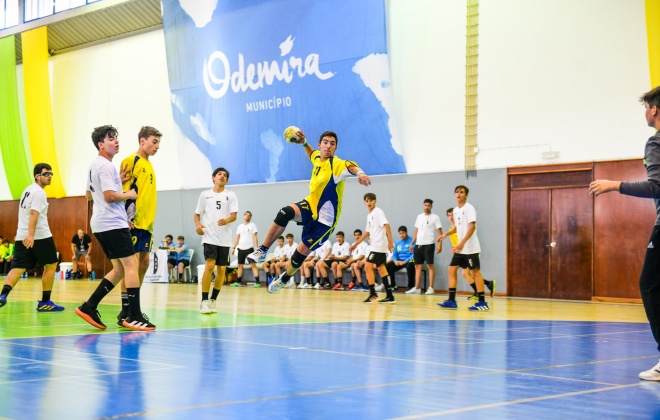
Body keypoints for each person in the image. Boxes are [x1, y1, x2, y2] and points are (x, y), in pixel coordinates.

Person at [589, 86, 660, 381]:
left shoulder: (655, 142)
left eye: (646, 107)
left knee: (650, 285)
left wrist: (614, 185)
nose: (645, 112)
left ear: (654, 109)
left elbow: (656, 185)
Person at [246, 129, 371, 294]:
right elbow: (312, 154)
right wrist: (304, 143)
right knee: (285, 213)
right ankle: (262, 250)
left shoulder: (337, 165)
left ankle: (284, 279)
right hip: (310, 205)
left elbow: (351, 166)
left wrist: (360, 173)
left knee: (298, 256)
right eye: (325, 143)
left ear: (335, 148)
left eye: (332, 144)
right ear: (320, 145)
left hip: (324, 222)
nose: (328, 146)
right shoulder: (318, 157)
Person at [74, 125, 155, 330]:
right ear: (101, 144)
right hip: (112, 223)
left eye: (116, 138)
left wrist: (120, 181)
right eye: (111, 138)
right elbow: (110, 197)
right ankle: (133, 315)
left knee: (118, 269)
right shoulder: (106, 166)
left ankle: (89, 306)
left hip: (101, 223)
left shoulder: (95, 166)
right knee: (131, 266)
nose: (116, 141)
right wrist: (128, 194)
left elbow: (89, 195)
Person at [0, 163, 64, 311]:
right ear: (37, 176)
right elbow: (34, 213)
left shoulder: (27, 190)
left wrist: (25, 233)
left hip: (22, 235)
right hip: (39, 235)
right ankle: (45, 302)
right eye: (46, 174)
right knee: (51, 265)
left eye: (51, 174)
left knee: (18, 267)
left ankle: (3, 295)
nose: (50, 177)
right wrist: (31, 234)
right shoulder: (39, 192)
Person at [118, 126, 162, 324]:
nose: (157, 146)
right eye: (154, 141)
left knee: (143, 264)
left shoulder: (150, 165)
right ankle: (126, 311)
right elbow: (123, 191)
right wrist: (126, 218)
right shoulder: (131, 161)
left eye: (159, 142)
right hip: (134, 222)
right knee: (131, 265)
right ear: (142, 140)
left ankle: (132, 308)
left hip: (148, 223)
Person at [437, 185, 489, 311]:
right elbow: (457, 227)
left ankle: (482, 302)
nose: (459, 194)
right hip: (461, 248)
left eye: (462, 192)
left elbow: (472, 227)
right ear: (454, 195)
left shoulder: (469, 208)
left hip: (470, 247)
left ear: (466, 195)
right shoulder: (455, 210)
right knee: (451, 269)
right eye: (457, 192)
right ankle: (451, 300)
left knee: (475, 272)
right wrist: (446, 234)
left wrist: (461, 243)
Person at [194, 167, 238, 314]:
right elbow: (197, 215)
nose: (222, 176)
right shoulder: (204, 195)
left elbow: (234, 216)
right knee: (209, 265)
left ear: (227, 180)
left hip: (224, 239)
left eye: (225, 175)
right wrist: (198, 225)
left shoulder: (231, 195)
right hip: (209, 236)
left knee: (222, 269)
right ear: (213, 178)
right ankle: (204, 301)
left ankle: (213, 300)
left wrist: (227, 220)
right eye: (219, 174)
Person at [349, 193, 395, 303]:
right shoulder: (369, 215)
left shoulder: (378, 212)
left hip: (379, 245)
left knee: (367, 267)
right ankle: (390, 296)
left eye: (371, 200)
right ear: (364, 203)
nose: (369, 202)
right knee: (381, 268)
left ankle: (373, 293)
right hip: (376, 246)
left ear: (375, 201)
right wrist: (356, 244)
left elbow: (386, 225)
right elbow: (367, 232)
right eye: (367, 201)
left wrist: (390, 241)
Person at [446, 208, 496, 299]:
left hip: (469, 252)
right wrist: (455, 248)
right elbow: (456, 242)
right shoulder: (451, 229)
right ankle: (487, 284)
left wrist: (458, 247)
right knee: (462, 272)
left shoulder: (462, 226)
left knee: (468, 273)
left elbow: (465, 238)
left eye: (452, 215)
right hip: (460, 253)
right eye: (449, 215)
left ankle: (480, 294)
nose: (451, 217)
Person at [409, 199, 443, 295]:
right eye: (425, 205)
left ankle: (431, 288)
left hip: (429, 245)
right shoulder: (419, 217)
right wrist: (412, 243)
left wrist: (440, 245)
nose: (427, 207)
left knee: (430, 265)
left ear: (431, 206)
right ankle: (417, 288)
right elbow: (416, 231)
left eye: (429, 205)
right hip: (418, 245)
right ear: (423, 206)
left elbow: (440, 233)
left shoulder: (435, 217)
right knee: (417, 266)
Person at [232, 211, 260, 288]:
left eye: (249, 215)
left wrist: (257, 248)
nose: (247, 216)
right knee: (240, 265)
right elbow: (237, 238)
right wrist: (234, 248)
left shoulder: (252, 225)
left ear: (250, 217)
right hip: (241, 249)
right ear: (244, 216)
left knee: (253, 265)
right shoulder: (239, 226)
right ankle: (238, 282)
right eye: (246, 214)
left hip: (249, 249)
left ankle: (257, 282)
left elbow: (254, 237)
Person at [387, 226, 415, 293]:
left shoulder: (412, 241)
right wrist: (395, 260)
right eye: (400, 233)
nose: (401, 235)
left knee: (410, 266)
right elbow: (394, 255)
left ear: (406, 232)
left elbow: (414, 254)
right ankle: (393, 285)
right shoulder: (397, 243)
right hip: (399, 260)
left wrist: (405, 261)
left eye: (403, 233)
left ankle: (410, 286)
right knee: (388, 266)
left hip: (409, 260)